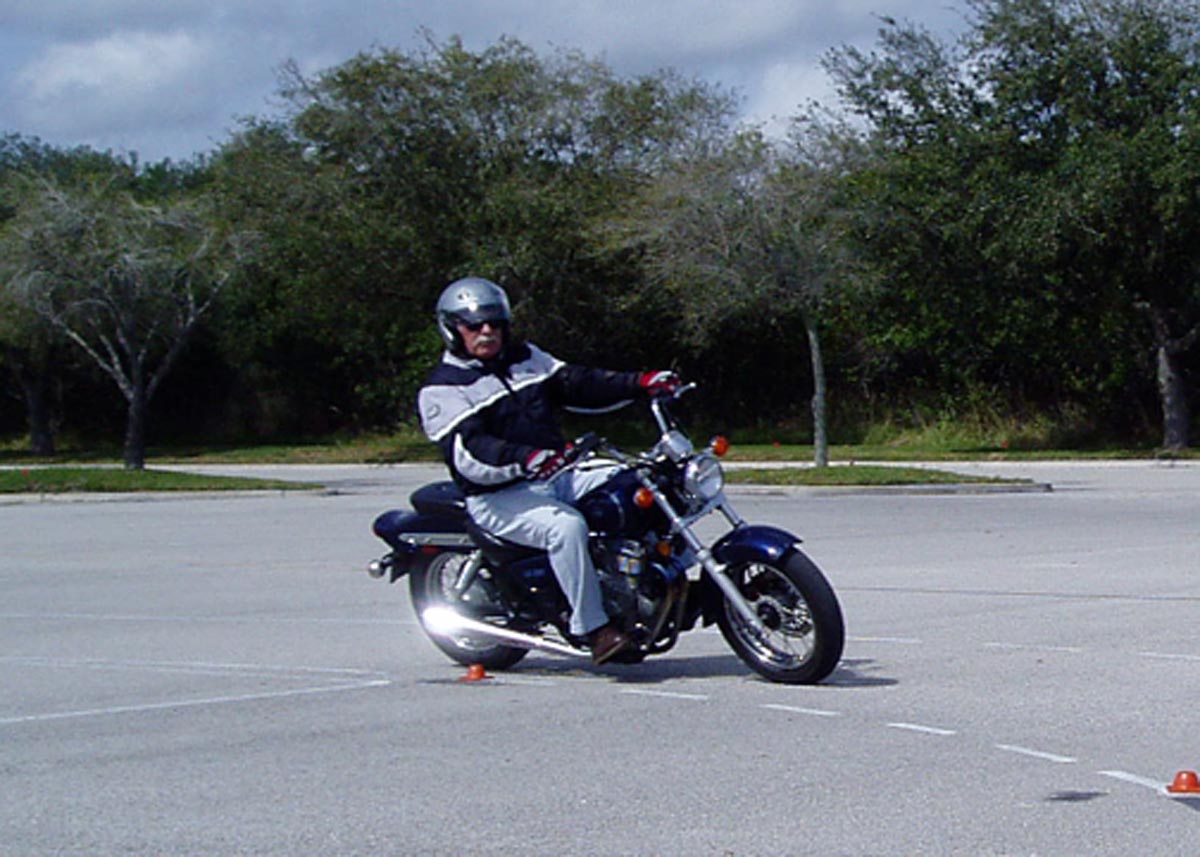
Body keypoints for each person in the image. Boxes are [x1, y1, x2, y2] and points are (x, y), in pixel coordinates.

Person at [417, 276, 680, 664]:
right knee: (567, 528)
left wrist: (640, 383)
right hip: (499, 494)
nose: (487, 331)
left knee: (638, 481)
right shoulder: (442, 389)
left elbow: (578, 384)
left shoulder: (526, 358)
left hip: (558, 474)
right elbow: (471, 452)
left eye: (494, 323)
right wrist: (525, 458)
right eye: (474, 325)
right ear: (452, 329)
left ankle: (647, 578)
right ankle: (593, 628)